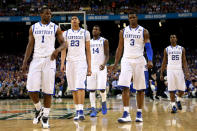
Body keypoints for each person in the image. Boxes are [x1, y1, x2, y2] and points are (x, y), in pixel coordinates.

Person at [21, 6, 66, 128]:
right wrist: (25, 62)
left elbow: (64, 43)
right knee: (30, 88)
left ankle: (45, 117)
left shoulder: (55, 27)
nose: (49, 15)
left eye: (50, 14)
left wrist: (57, 50)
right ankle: (38, 108)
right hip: (36, 59)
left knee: (48, 90)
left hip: (49, 60)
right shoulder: (33, 28)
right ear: (41, 14)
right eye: (46, 13)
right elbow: (30, 45)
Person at [110, 13, 153, 123]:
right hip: (126, 60)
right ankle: (126, 113)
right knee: (124, 86)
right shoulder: (123, 31)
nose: (132, 19)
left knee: (140, 89)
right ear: (128, 19)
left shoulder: (144, 31)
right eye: (130, 17)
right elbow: (120, 48)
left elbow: (148, 46)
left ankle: (139, 113)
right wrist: (115, 63)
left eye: (134, 17)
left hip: (139, 60)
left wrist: (150, 59)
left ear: (137, 18)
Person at [61, 16, 91, 121]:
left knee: (80, 86)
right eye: (72, 18)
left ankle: (81, 111)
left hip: (81, 61)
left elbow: (88, 50)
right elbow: (64, 50)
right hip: (70, 62)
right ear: (70, 22)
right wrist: (62, 63)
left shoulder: (85, 33)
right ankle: (77, 111)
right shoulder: (65, 33)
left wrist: (89, 66)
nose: (74, 19)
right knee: (73, 88)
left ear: (79, 21)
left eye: (76, 18)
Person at [160, 34, 189, 113]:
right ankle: (173, 106)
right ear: (170, 39)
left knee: (182, 89)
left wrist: (187, 72)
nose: (172, 38)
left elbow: (184, 61)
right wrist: (161, 73)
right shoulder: (167, 49)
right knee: (171, 89)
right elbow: (164, 61)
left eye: (174, 37)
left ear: (176, 39)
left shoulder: (181, 49)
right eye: (171, 37)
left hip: (179, 69)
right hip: (170, 70)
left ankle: (178, 99)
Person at [87, 25, 109, 117]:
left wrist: (104, 64)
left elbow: (107, 55)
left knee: (102, 88)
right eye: (93, 29)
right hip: (92, 67)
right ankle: (93, 108)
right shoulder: (88, 42)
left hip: (101, 67)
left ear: (100, 32)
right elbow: (87, 55)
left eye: (96, 29)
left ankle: (103, 103)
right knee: (91, 90)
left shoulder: (104, 41)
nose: (94, 30)